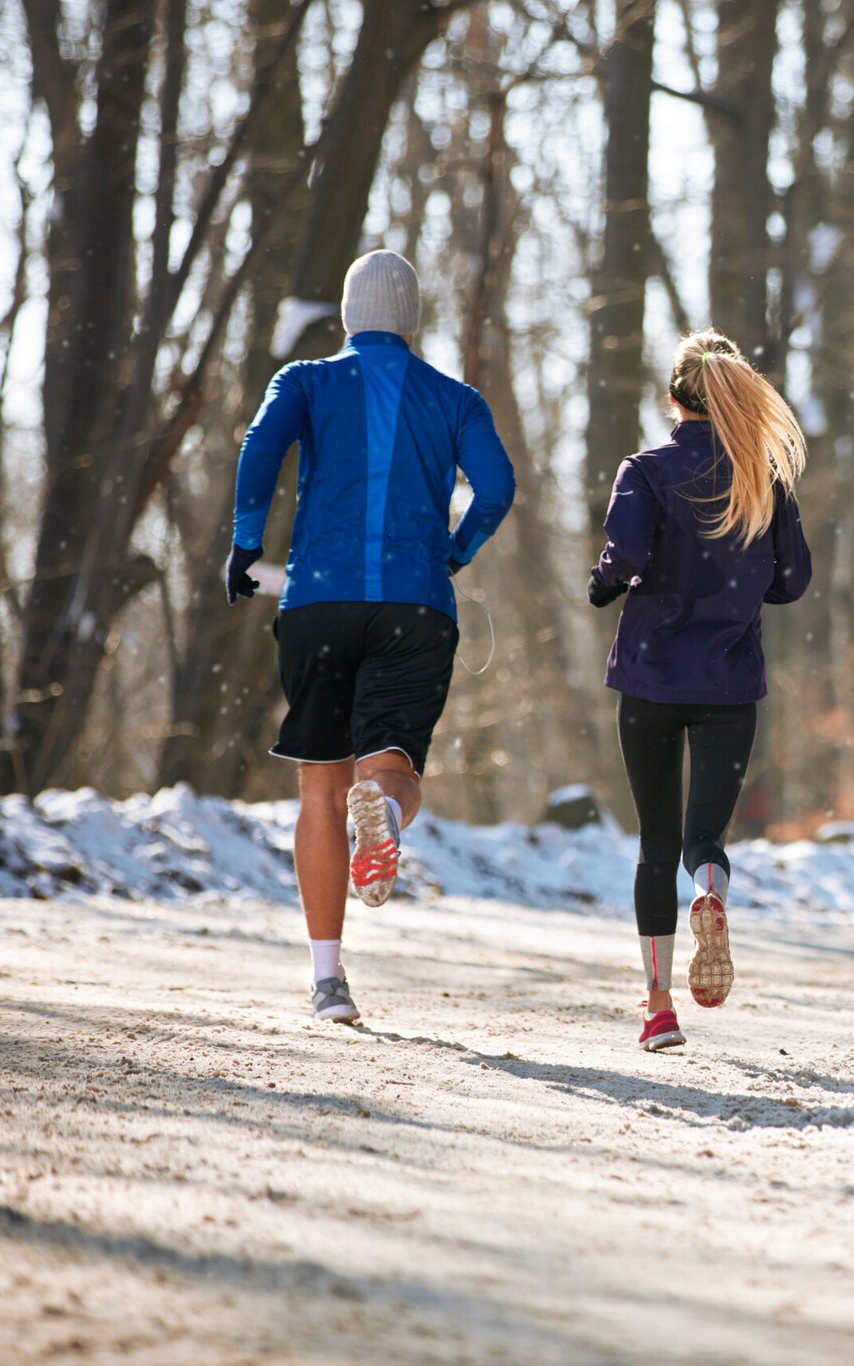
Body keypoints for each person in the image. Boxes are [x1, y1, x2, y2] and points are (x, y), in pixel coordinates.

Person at [226, 249, 515, 1025]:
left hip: (319, 602)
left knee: (321, 789)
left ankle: (328, 981)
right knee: (391, 769)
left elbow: (259, 449)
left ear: (350, 315)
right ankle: (384, 812)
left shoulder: (307, 381)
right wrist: (454, 550)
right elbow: (497, 488)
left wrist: (245, 543)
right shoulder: (455, 399)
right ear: (412, 320)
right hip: (415, 607)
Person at [589, 329, 811, 1052]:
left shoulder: (646, 470)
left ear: (674, 396)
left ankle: (658, 1011)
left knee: (654, 842)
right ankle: (710, 890)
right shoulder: (764, 478)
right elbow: (791, 581)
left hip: (652, 677)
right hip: (728, 683)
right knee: (701, 838)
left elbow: (628, 555)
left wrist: (606, 581)